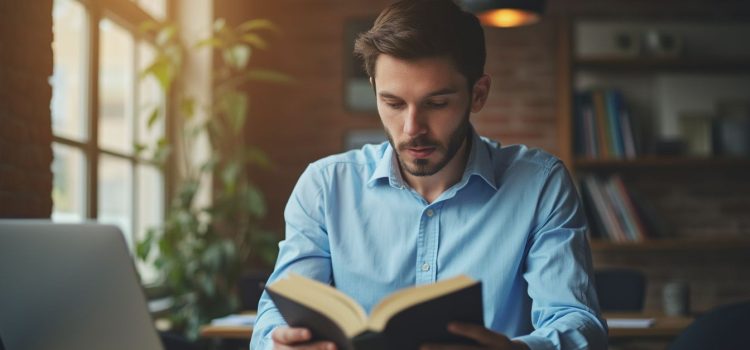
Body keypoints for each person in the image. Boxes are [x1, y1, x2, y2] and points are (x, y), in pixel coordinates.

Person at [250, 0, 607, 349]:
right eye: (393, 103)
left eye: (436, 104)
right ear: (374, 90)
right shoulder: (325, 188)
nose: (411, 128)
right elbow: (274, 318)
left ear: (478, 94)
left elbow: (578, 322)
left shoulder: (541, 184)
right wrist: (280, 343)